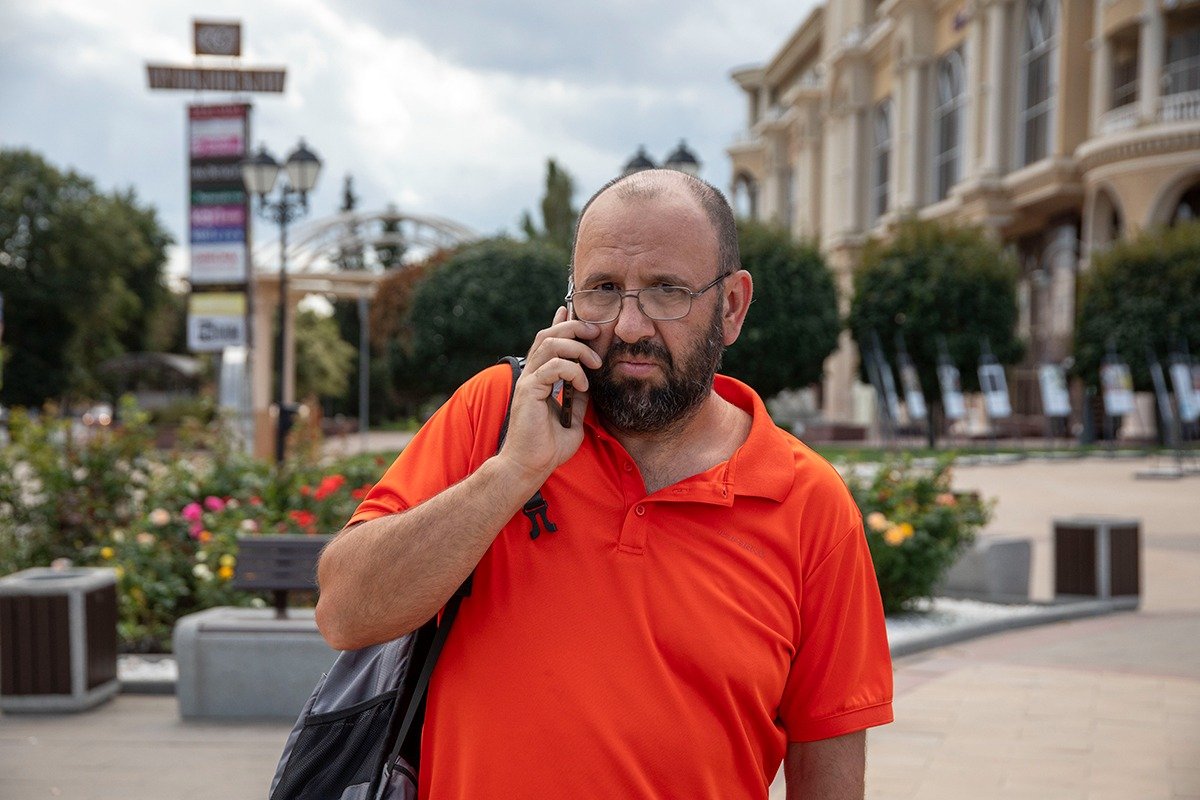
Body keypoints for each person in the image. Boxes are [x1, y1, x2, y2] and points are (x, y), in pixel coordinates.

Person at [316, 169, 893, 799]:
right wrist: (513, 472)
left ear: (731, 307)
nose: (629, 326)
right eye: (604, 289)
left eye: (667, 291)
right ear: (568, 302)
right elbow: (345, 613)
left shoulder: (810, 505)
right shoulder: (495, 416)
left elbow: (829, 769)